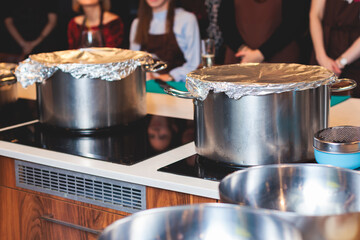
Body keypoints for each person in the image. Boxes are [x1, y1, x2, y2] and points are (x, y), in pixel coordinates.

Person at [218, 0, 310, 64]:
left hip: (280, 64)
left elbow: (295, 23)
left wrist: (261, 54)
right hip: (240, 60)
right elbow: (225, 21)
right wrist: (243, 50)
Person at [129, 0, 201, 82]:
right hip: (148, 86)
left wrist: (169, 76)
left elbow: (194, 64)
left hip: (178, 86)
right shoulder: (137, 23)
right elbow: (133, 63)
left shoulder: (186, 19)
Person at [309, 0, 360, 98]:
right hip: (325, 50)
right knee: (318, 100)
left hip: (355, 58)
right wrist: (321, 56)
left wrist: (341, 62)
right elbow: (315, 15)